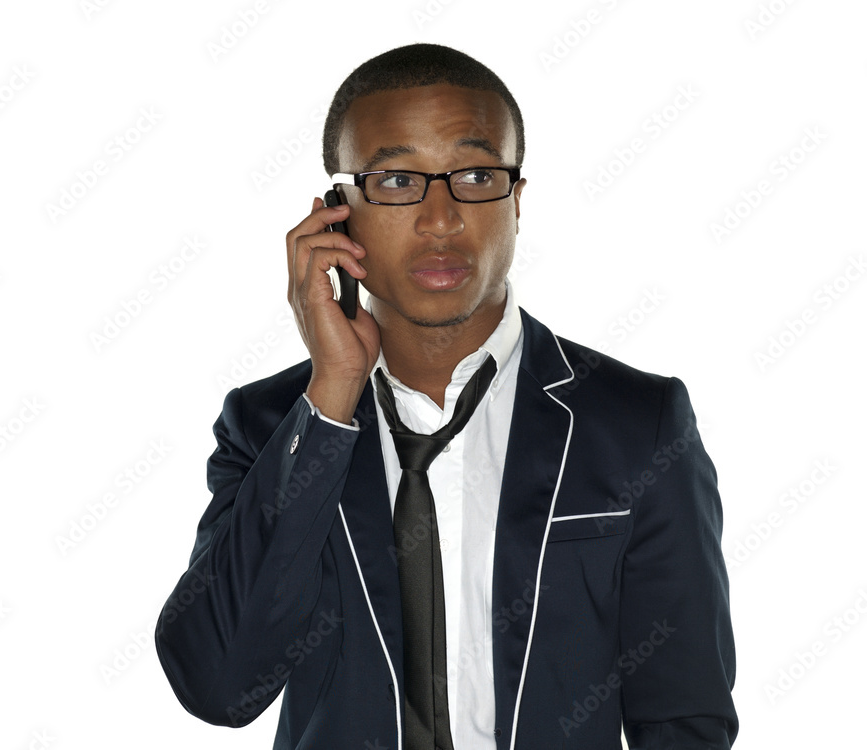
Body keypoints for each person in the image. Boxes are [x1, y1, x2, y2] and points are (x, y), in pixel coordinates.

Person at [154, 43, 738, 750]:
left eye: (476, 175)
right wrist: (332, 396)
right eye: (398, 179)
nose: (440, 218)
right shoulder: (271, 425)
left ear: (516, 201)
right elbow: (218, 685)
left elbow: (684, 717)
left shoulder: (638, 423)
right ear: (338, 213)